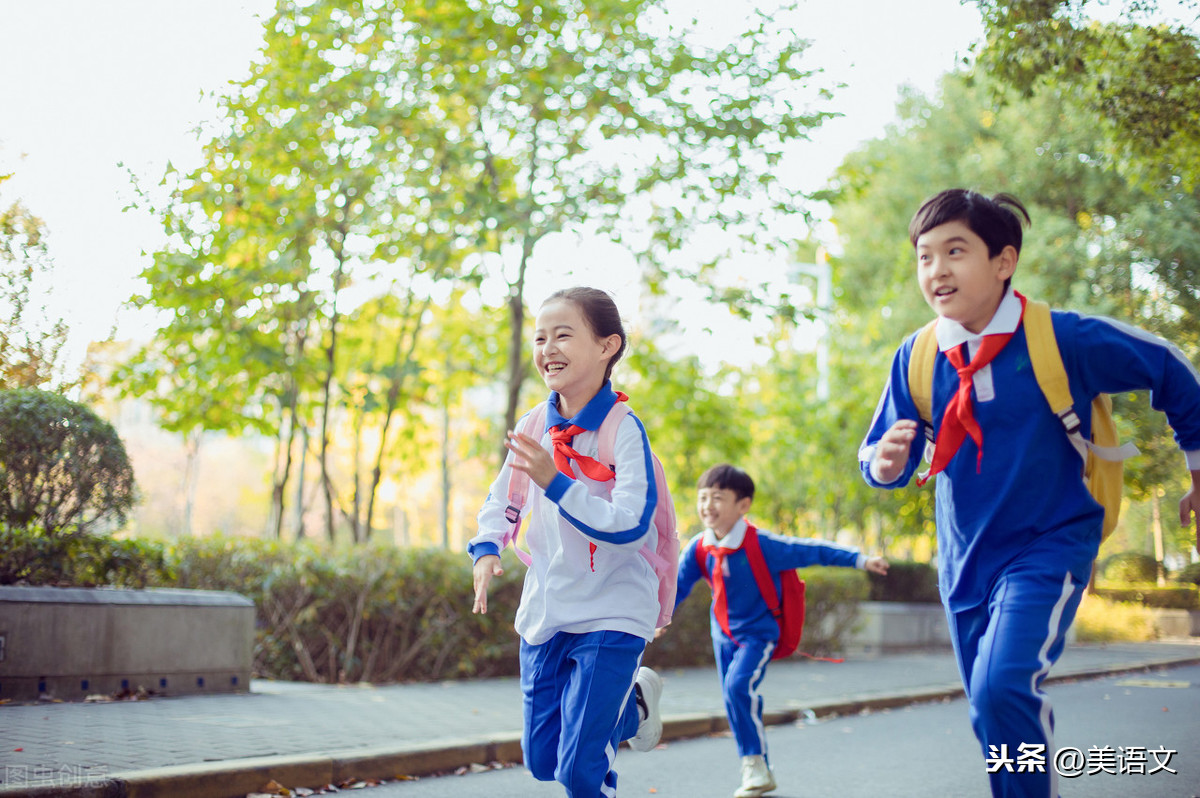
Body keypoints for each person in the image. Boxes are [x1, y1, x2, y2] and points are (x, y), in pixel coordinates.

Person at [858, 188, 1200, 798]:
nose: (937, 270)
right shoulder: (918, 357)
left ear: (1003, 261)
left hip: (1050, 545)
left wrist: (1197, 464)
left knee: (1002, 688)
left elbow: (1170, 365)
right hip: (964, 565)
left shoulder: (1063, 339)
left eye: (956, 251)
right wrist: (885, 463)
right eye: (925, 256)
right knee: (992, 712)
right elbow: (877, 453)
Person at [469, 286, 665, 798]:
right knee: (543, 759)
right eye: (540, 337)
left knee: (580, 772)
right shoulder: (535, 423)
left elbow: (630, 525)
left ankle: (617, 711)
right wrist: (487, 547)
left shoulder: (623, 430)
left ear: (607, 347)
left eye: (563, 335)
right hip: (549, 607)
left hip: (613, 609)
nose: (547, 348)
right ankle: (634, 706)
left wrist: (555, 482)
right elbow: (504, 495)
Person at [667, 463, 889, 798]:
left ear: (743, 505)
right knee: (732, 696)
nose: (707, 505)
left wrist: (859, 559)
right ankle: (757, 768)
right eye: (703, 497)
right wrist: (655, 619)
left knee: (738, 687)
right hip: (722, 635)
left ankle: (755, 765)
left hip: (758, 635)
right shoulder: (699, 548)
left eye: (717, 497)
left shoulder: (763, 545)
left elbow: (813, 550)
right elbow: (675, 589)